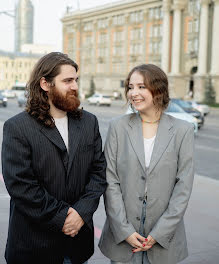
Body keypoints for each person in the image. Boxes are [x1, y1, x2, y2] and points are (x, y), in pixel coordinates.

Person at [1, 52, 106, 264]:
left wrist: (81, 213)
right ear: (45, 84)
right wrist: (64, 217)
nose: (75, 86)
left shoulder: (89, 123)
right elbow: (21, 186)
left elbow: (98, 173)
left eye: (76, 80)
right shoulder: (17, 127)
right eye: (67, 81)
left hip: (77, 246)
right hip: (33, 248)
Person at [99, 64, 194, 264]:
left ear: (158, 89)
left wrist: (160, 233)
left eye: (141, 87)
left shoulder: (182, 130)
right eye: (130, 87)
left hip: (164, 242)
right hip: (122, 240)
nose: (134, 93)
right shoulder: (118, 127)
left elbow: (183, 187)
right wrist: (124, 230)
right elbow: (110, 180)